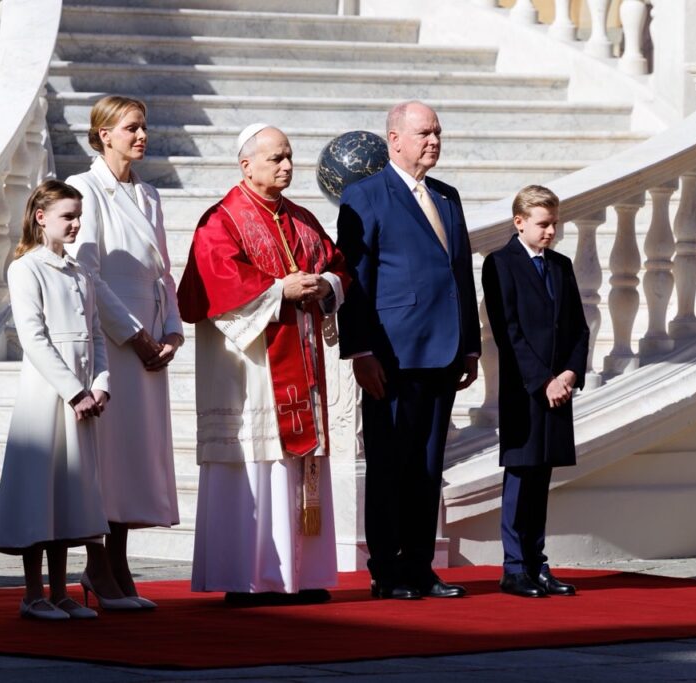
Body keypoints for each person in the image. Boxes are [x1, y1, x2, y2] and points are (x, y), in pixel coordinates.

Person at [177, 123, 349, 605]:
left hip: (300, 363)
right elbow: (215, 282)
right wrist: (279, 291)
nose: (287, 166)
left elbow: (338, 265)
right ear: (246, 164)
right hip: (250, 371)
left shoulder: (301, 219)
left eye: (289, 156)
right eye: (276, 158)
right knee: (256, 467)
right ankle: (249, 579)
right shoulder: (221, 221)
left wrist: (326, 286)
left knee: (293, 467)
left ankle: (299, 577)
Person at [336, 101, 481, 600]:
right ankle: (386, 570)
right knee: (389, 465)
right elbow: (355, 279)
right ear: (394, 140)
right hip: (392, 356)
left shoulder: (446, 195)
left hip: (444, 351)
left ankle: (420, 567)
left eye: (437, 132)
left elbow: (460, 273)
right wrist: (360, 351)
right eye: (424, 133)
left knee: (427, 466)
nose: (433, 141)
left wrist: (470, 346)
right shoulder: (365, 195)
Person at [66, 95, 184, 610]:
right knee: (108, 455)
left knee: (136, 454)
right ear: (104, 134)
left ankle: (119, 561)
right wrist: (134, 334)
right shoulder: (85, 188)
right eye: (131, 127)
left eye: (143, 127)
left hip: (150, 338)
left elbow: (163, 271)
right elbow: (86, 273)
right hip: (111, 340)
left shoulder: (149, 194)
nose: (141, 135)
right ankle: (99, 563)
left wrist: (172, 331)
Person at [0, 179, 110, 621]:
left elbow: (97, 335)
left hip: (82, 397)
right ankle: (33, 593)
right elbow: (34, 338)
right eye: (67, 216)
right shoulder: (27, 268)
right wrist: (73, 390)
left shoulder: (80, 272)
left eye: (79, 217)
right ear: (41, 218)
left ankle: (61, 591)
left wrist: (101, 384)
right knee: (39, 492)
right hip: (47, 397)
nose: (76, 224)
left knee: (67, 494)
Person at [481, 185, 589, 598]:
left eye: (554, 224)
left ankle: (536, 564)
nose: (551, 232)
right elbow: (508, 332)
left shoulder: (561, 265)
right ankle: (514, 567)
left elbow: (578, 327)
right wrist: (544, 380)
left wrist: (569, 374)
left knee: (542, 476)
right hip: (526, 389)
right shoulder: (500, 264)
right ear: (520, 222)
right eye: (543, 224)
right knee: (521, 473)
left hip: (559, 388)